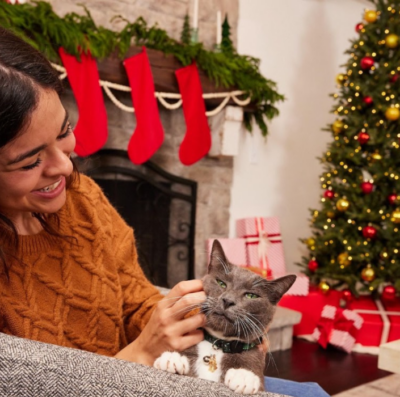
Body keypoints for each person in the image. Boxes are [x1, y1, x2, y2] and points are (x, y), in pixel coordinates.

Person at [0, 27, 329, 397]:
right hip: (119, 382)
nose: (64, 166)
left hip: (164, 370)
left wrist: (210, 321)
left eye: (64, 132)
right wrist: (142, 352)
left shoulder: (82, 199)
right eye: (30, 161)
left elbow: (137, 299)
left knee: (312, 392)